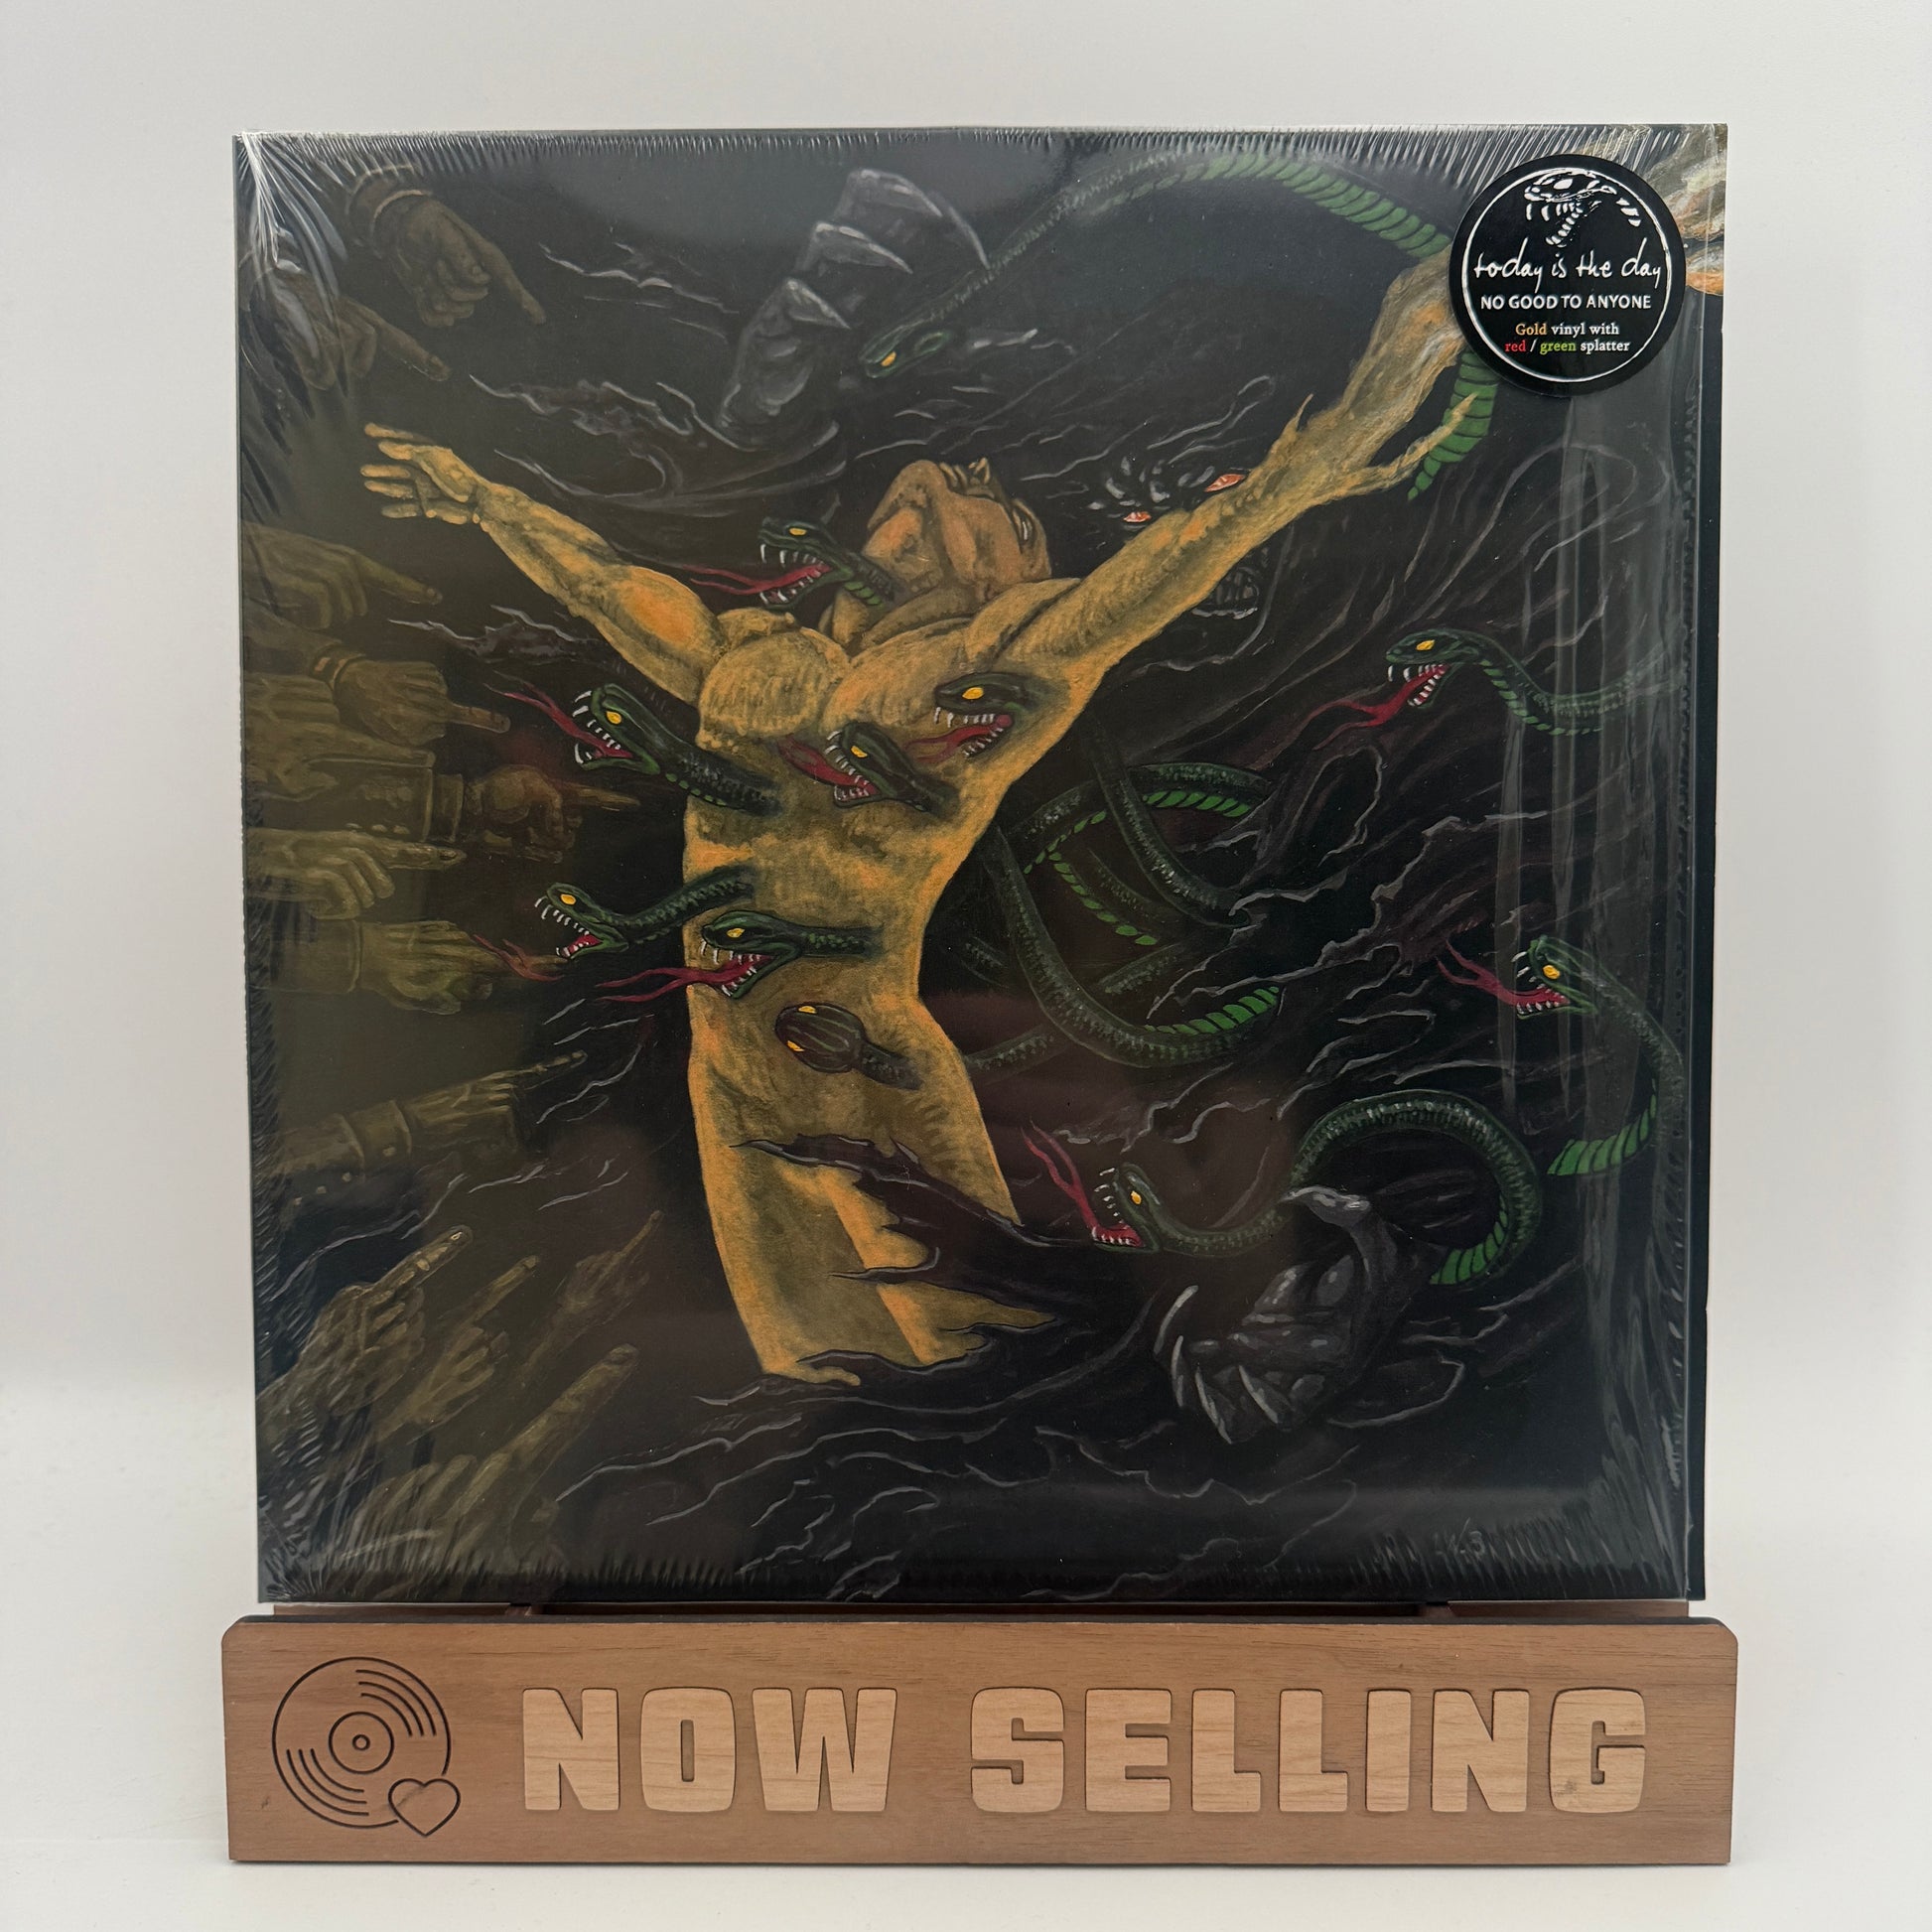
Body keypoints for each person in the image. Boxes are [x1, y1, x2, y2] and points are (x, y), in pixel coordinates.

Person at [358, 256, 1465, 1379]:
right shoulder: (749, 653)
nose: (969, 474)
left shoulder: (1004, 660)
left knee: (972, 1351)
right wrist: (484, 500)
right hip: (727, 1063)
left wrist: (1351, 423)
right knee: (814, 1364)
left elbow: (1186, 547)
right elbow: (602, 582)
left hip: (868, 1058)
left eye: (1007, 510)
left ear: (1022, 577)